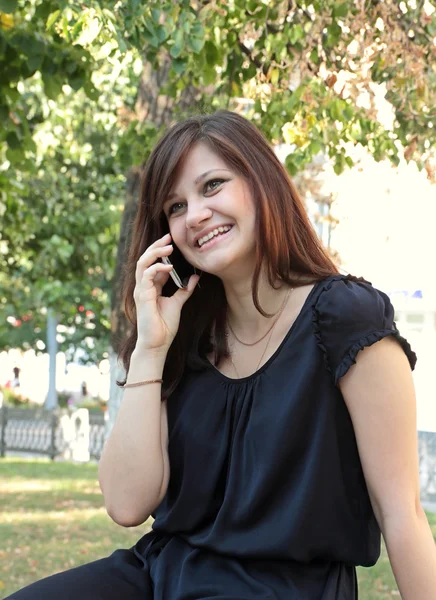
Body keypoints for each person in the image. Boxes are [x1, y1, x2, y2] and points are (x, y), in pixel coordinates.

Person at [7, 110, 436, 599]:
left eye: (212, 186)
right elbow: (127, 505)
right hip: (159, 577)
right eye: (174, 206)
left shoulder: (346, 318)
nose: (195, 215)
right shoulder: (181, 332)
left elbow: (401, 513)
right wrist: (150, 348)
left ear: (261, 182)